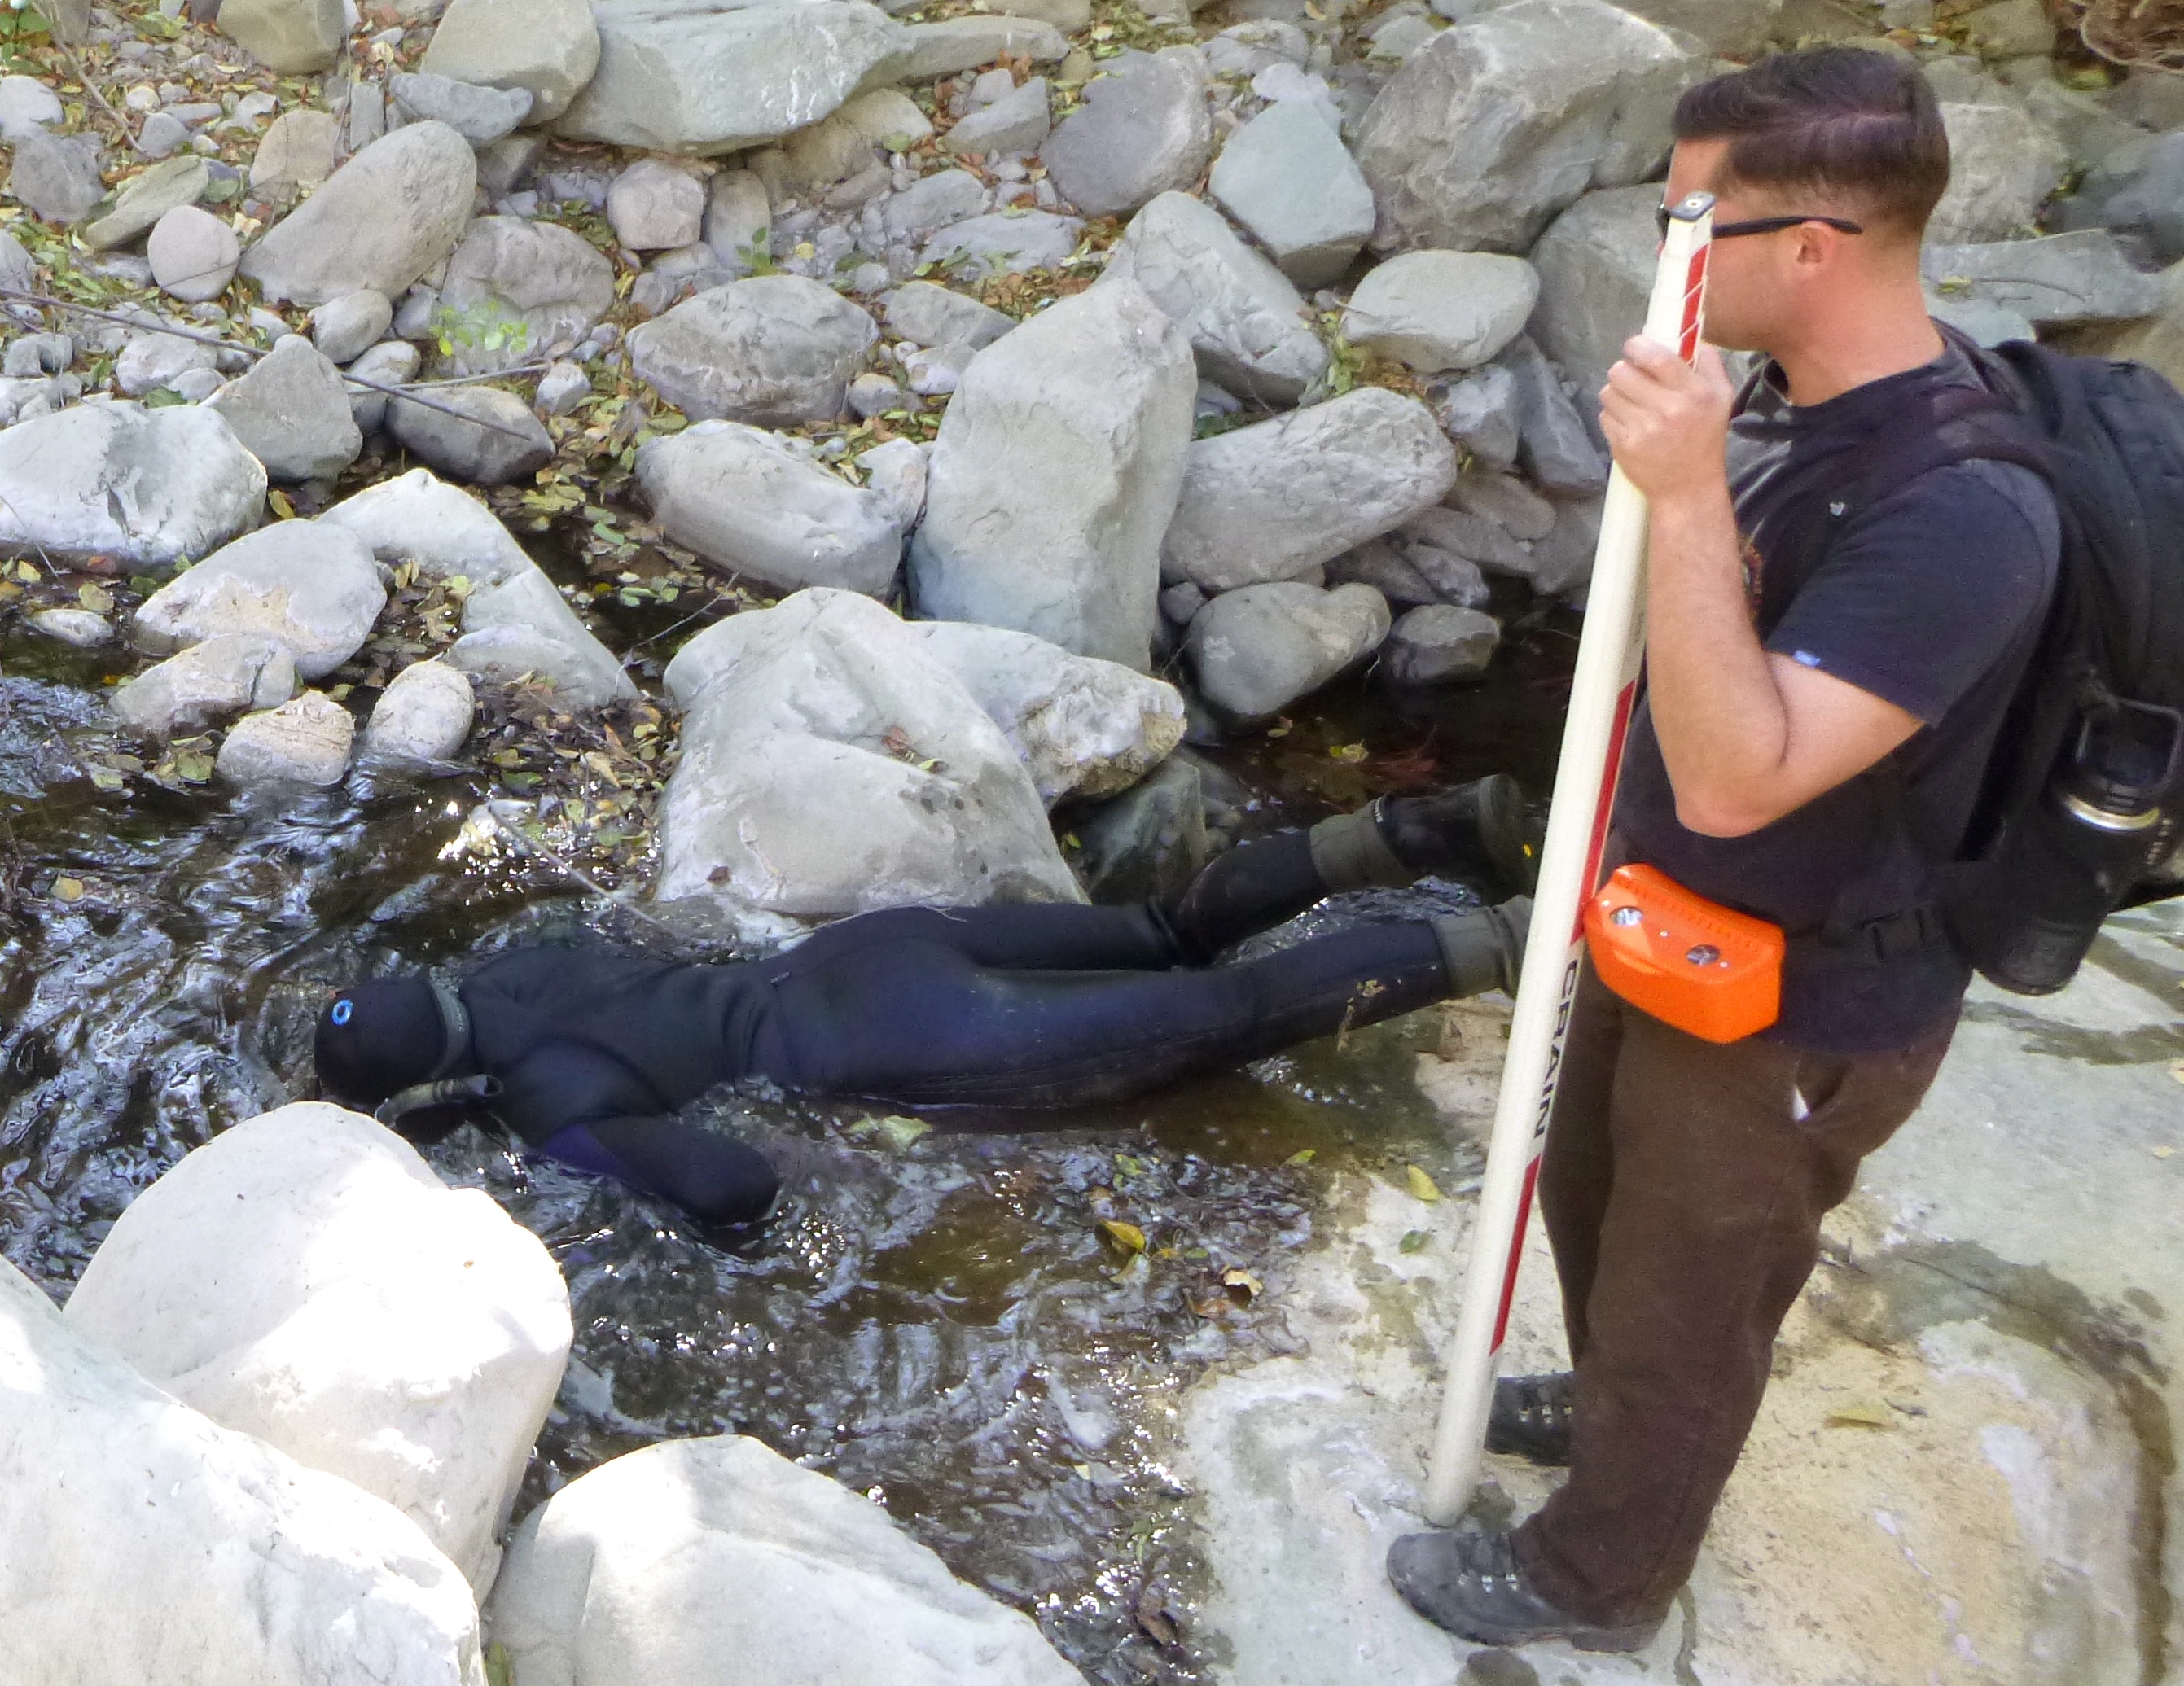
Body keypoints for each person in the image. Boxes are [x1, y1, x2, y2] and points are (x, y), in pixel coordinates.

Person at [1387, 50, 2064, 1652]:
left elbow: (1740, 774)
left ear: (1811, 245)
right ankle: (1618, 1406)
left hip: (1796, 1000)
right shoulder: (1803, 404)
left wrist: (1682, 488)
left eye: (1697, 225)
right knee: (1603, 1220)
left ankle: (1594, 1579)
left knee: (1691, 1300)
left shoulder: (1963, 507)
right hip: (1666, 929)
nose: (1663, 256)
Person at [312, 778, 1536, 1233]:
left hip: (900, 1044)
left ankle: (1511, 946)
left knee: (1233, 1009)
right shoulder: (521, 955)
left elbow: (733, 1189)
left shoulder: (550, 1105)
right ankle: (1418, 829)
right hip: (867, 957)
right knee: (1166, 930)